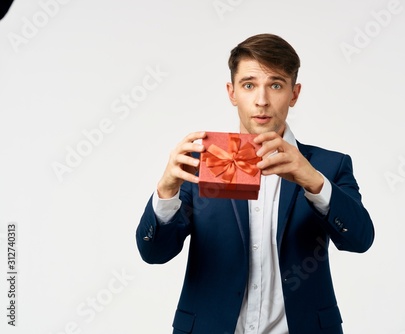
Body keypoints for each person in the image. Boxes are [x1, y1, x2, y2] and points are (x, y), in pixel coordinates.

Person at [136, 33, 375, 334]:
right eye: (249, 85)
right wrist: (166, 191)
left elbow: (360, 239)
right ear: (232, 92)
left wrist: (314, 182)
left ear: (294, 94)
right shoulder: (202, 163)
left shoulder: (329, 166)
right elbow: (154, 253)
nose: (261, 101)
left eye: (275, 85)